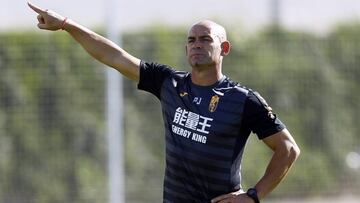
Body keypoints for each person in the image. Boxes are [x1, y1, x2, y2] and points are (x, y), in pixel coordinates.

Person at [28, 1, 300, 203]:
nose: (196, 44)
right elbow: (113, 56)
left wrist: (253, 196)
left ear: (224, 48)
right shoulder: (169, 83)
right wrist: (66, 24)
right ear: (185, 50)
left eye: (206, 39)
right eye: (191, 40)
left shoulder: (243, 100)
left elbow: (287, 149)